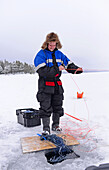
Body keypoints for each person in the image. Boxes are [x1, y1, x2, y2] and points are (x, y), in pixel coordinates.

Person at [34, 32, 83, 136]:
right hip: (45, 84)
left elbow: (68, 64)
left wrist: (76, 69)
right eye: (50, 45)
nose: (52, 47)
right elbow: (42, 71)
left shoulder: (60, 54)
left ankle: (56, 125)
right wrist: (57, 68)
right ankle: (46, 128)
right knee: (45, 106)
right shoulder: (41, 54)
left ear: (57, 44)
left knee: (57, 105)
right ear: (46, 43)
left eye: (54, 45)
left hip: (57, 84)